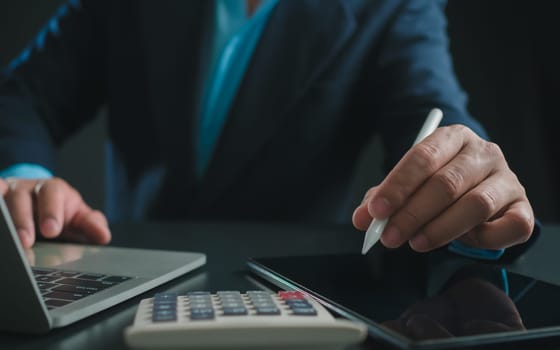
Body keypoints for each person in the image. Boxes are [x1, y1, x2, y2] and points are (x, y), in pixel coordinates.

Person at [0, 0, 536, 260]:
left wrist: (467, 180)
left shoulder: (392, 7)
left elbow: (435, 108)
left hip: (287, 300)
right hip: (128, 275)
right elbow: (26, 95)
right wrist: (24, 178)